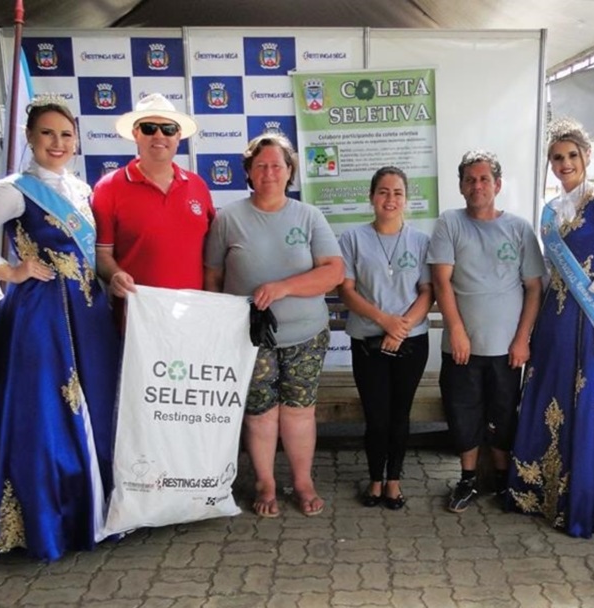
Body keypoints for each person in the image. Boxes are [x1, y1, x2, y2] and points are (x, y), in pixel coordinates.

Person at [0, 96, 119, 561]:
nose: (58, 142)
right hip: (42, 315)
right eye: (48, 133)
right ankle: (42, 526)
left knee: (93, 409)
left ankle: (90, 517)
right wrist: (11, 272)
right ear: (30, 138)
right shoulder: (13, 189)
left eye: (66, 134)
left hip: (88, 312)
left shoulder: (79, 189)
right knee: (44, 414)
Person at [507, 117, 594, 538]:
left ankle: (581, 501)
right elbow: (549, 271)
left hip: (591, 320)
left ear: (585, 157)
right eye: (556, 158)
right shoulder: (551, 210)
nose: (564, 164)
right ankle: (543, 492)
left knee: (584, 402)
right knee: (551, 400)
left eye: (570, 156)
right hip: (556, 319)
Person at [204, 133, 344, 518]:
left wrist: (283, 288)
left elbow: (333, 272)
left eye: (277, 166)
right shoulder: (228, 218)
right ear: (249, 172)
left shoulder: (309, 216)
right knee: (260, 412)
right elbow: (213, 276)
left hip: (305, 335)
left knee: (299, 411)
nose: (269, 172)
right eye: (261, 165)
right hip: (249, 337)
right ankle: (265, 481)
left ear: (289, 172)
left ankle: (302, 482)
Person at [427, 150, 545, 513]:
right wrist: (457, 331)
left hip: (508, 349)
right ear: (461, 186)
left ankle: (502, 478)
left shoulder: (519, 228)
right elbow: (441, 282)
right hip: (462, 347)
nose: (477, 185)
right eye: (469, 180)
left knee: (505, 414)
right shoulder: (449, 223)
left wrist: (523, 339)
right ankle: (467, 480)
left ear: (497, 184)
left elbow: (534, 288)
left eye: (484, 179)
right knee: (463, 414)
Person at [338, 167, 433, 510]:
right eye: (383, 191)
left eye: (397, 193)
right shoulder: (351, 239)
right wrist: (384, 321)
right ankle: (375, 478)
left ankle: (394, 480)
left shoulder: (421, 241)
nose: (390, 199)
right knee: (376, 415)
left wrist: (402, 326)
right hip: (367, 342)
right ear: (371, 197)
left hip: (411, 343)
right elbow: (346, 291)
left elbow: (427, 291)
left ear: (407, 199)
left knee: (400, 414)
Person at [92, 93, 214, 315]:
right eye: (149, 128)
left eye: (167, 129)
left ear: (178, 136)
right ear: (135, 134)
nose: (159, 135)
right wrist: (115, 275)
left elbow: (214, 252)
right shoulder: (108, 188)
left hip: (194, 316)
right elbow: (101, 255)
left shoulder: (198, 185)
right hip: (137, 319)